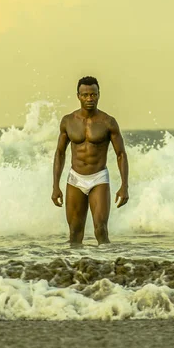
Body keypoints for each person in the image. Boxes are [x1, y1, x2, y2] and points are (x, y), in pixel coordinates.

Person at [51, 76, 129, 246]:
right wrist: (55, 185)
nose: (89, 99)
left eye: (93, 95)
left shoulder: (108, 122)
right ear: (78, 96)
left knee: (100, 229)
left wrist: (124, 186)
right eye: (85, 95)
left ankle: (107, 267)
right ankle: (76, 269)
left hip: (98, 178)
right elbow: (60, 153)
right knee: (74, 232)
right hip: (75, 178)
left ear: (99, 95)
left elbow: (121, 154)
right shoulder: (68, 121)